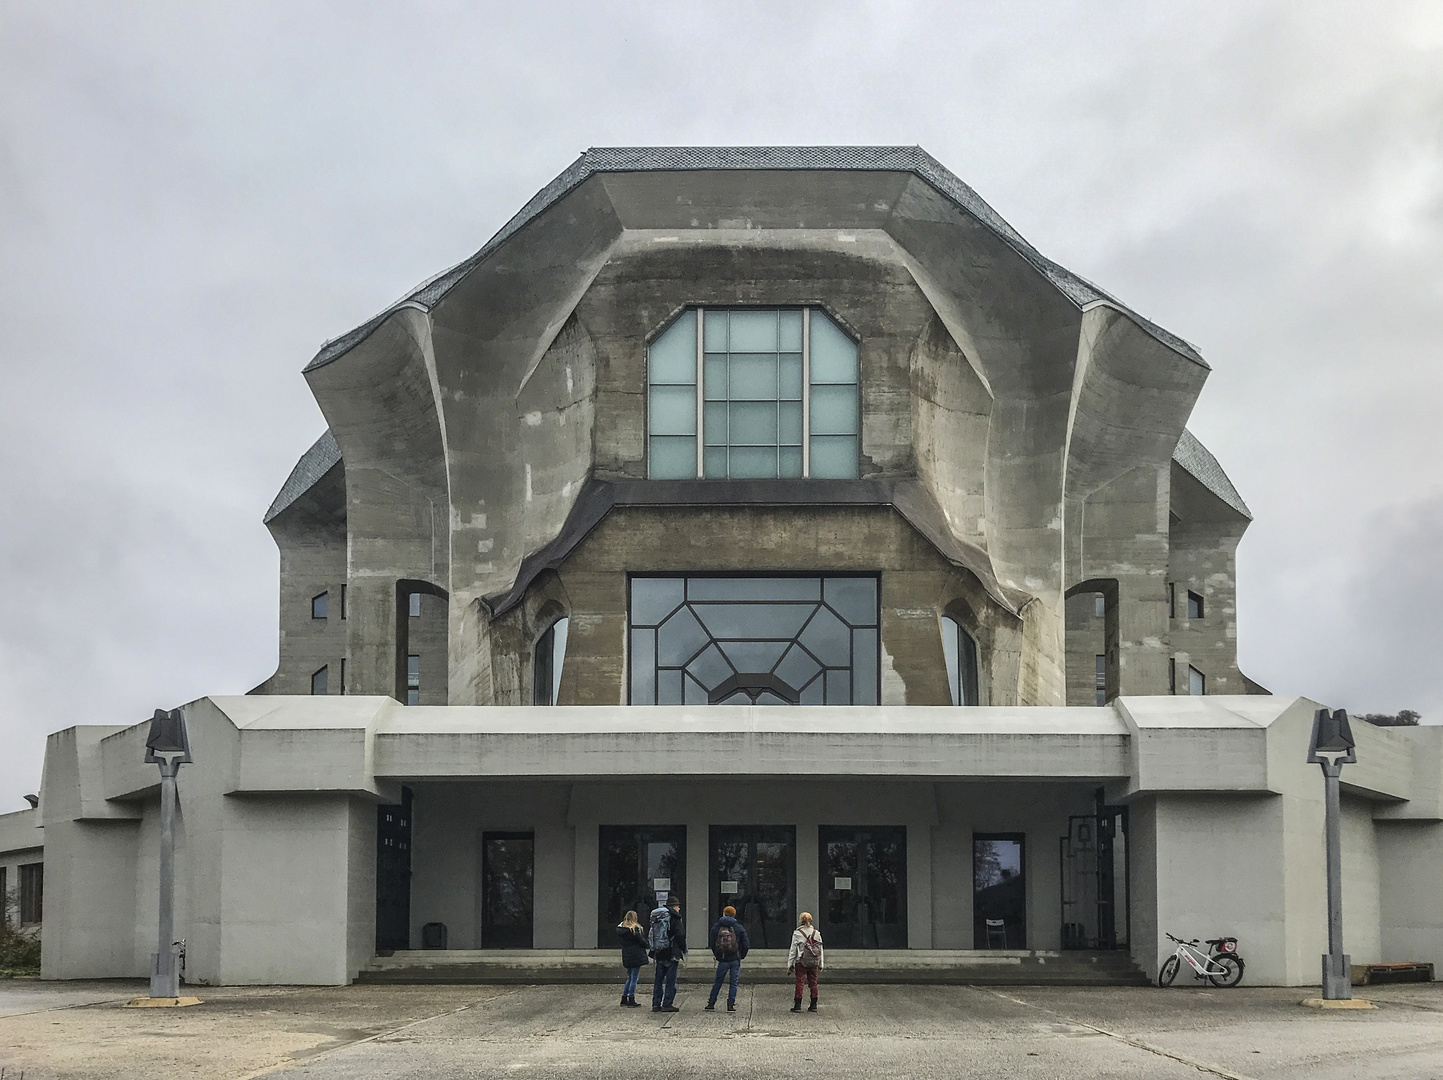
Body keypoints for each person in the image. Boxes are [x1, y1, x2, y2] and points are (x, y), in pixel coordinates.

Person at [704, 904, 751, 1012]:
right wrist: (741, 955)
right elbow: (746, 944)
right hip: (735, 959)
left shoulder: (716, 927)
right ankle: (730, 1004)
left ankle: (711, 1003)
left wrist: (718, 955)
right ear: (734, 915)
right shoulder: (738, 927)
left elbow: (712, 944)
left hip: (723, 959)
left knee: (718, 981)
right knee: (733, 982)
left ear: (724, 913)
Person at [649, 896, 687, 1012]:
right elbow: (680, 935)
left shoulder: (658, 917)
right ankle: (667, 1004)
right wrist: (683, 949)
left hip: (659, 951)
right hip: (671, 952)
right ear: (674, 907)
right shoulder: (675, 918)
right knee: (671, 981)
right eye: (678, 906)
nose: (679, 908)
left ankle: (656, 1004)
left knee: (658, 980)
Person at [787, 911, 824, 1012]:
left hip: (801, 961)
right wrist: (821, 963)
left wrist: (790, 965)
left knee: (800, 982)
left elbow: (793, 950)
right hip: (813, 962)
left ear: (800, 921)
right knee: (813, 983)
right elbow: (820, 950)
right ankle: (813, 1004)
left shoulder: (797, 933)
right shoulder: (817, 933)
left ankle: (798, 1005)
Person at [616, 910, 649, 1007]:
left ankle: (624, 998)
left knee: (630, 977)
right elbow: (643, 942)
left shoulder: (620, 930)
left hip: (626, 955)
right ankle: (631, 998)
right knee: (634, 978)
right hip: (636, 955)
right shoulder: (635, 930)